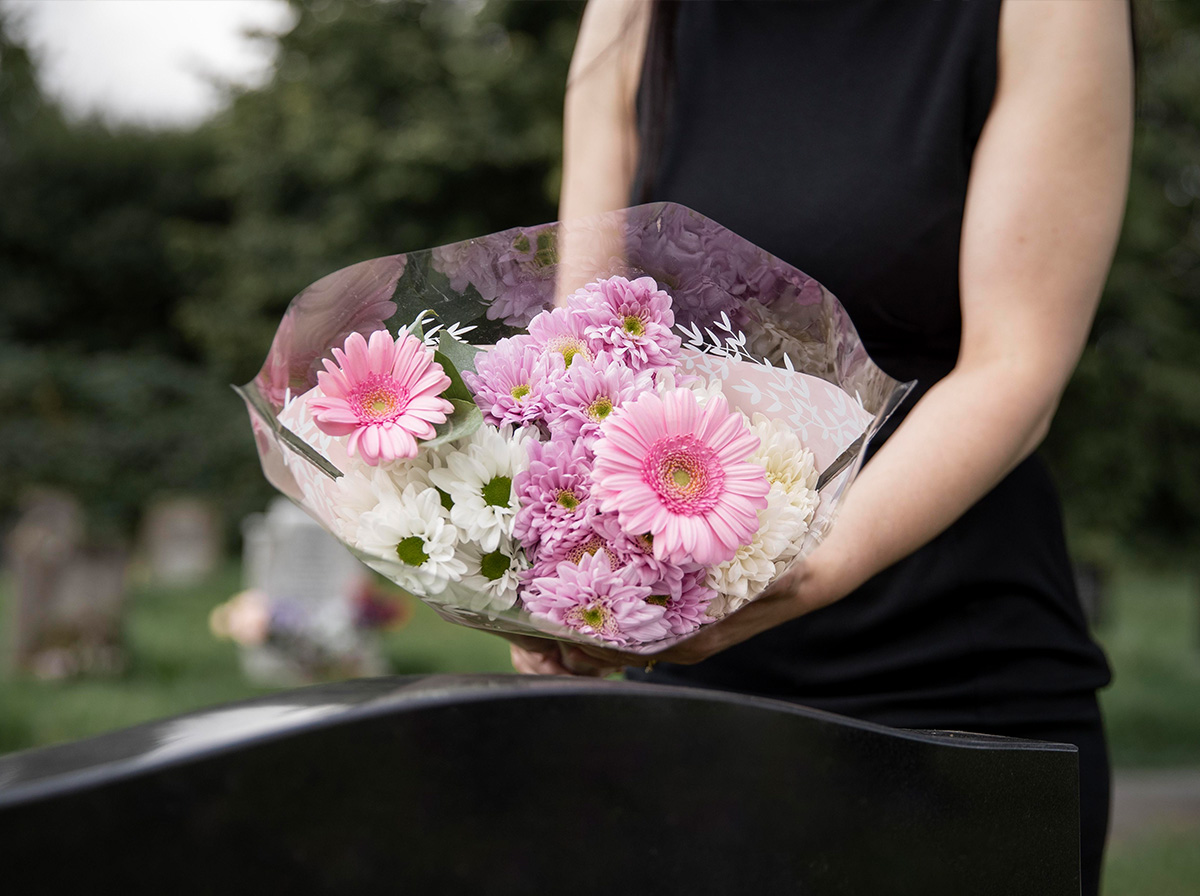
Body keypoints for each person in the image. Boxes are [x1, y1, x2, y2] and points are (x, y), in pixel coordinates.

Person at [511, 3, 1133, 894]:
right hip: (679, 705)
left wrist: (803, 562)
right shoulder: (636, 13)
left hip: (946, 709)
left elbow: (1016, 368)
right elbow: (586, 354)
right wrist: (548, 574)